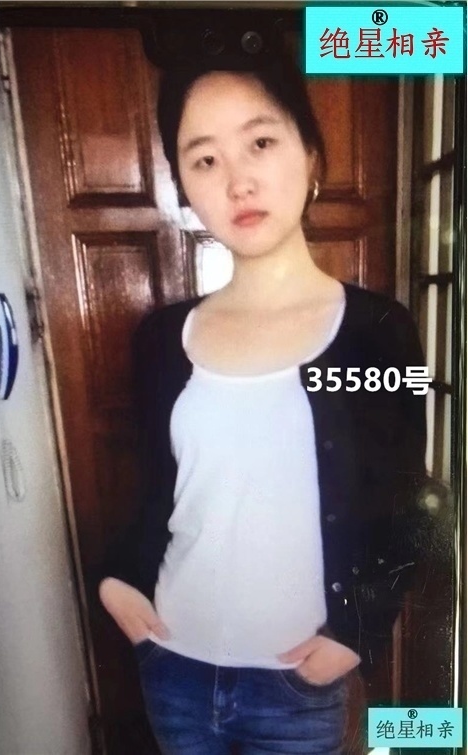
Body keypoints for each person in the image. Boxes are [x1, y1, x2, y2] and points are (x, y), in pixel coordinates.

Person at [98, 52, 428, 755]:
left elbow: (407, 502)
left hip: (296, 684)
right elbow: (159, 492)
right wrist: (116, 580)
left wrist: (359, 633)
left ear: (311, 156)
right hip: (173, 667)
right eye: (205, 160)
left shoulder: (378, 331)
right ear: (184, 184)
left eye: (261, 142)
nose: (238, 180)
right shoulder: (161, 338)